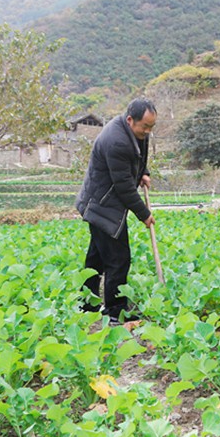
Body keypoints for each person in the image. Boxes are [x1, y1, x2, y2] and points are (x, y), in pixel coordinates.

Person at [76, 98, 157, 323]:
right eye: (145, 127)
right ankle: (116, 311)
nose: (148, 131)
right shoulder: (117, 141)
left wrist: (144, 172)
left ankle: (87, 304)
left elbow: (139, 154)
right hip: (101, 205)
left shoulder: (134, 132)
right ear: (130, 120)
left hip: (103, 201)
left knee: (96, 258)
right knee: (118, 258)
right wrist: (144, 214)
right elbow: (124, 187)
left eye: (151, 126)